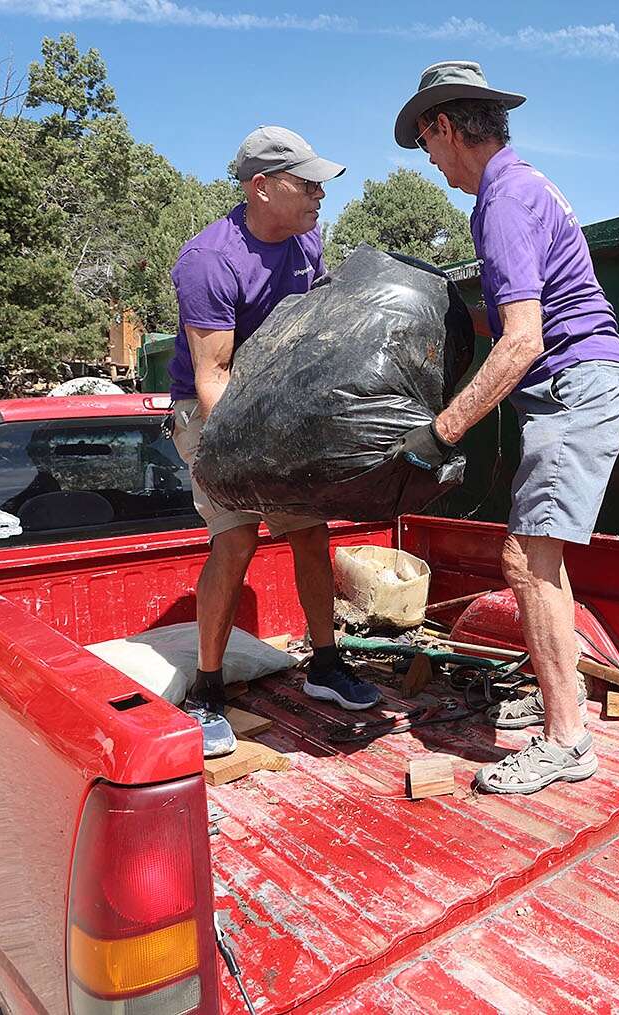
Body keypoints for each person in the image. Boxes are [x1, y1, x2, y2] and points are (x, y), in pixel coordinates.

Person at [391, 61, 619, 794]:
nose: (430, 162)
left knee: (526, 561)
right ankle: (568, 713)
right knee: (540, 559)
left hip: (571, 386)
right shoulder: (524, 186)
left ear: (443, 125)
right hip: (576, 384)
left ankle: (566, 741)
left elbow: (523, 340)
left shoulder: (503, 198)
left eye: (427, 144)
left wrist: (443, 430)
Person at [169, 126, 380, 735]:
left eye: (320, 182)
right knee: (236, 539)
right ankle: (206, 693)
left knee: (309, 533)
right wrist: (255, 453)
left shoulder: (307, 241)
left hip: (278, 404)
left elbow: (311, 334)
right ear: (261, 187)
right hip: (213, 409)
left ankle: (326, 664)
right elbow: (214, 377)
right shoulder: (208, 261)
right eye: (306, 182)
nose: (320, 193)